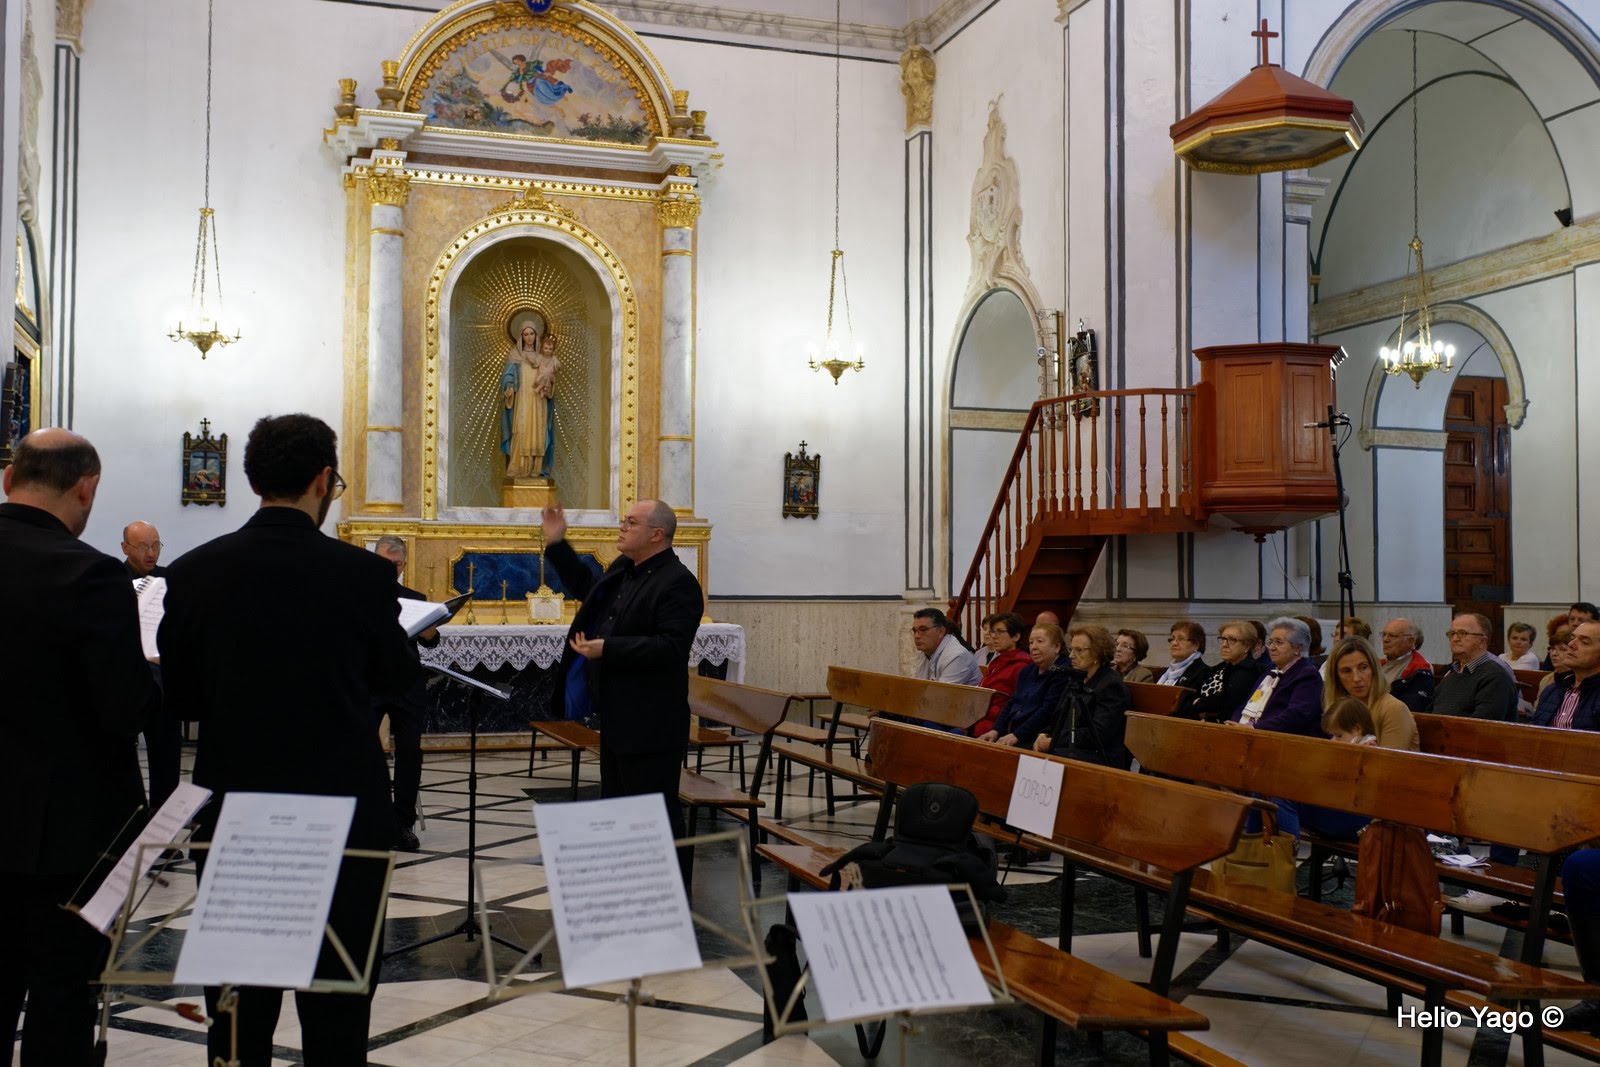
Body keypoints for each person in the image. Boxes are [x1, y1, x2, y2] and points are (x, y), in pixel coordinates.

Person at [159, 414, 420, 1065]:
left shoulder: (195, 571)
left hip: (236, 811)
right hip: (344, 814)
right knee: (337, 1007)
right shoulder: (364, 576)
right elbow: (396, 681)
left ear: (252, 479)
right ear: (323, 480)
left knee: (240, 1010)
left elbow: (182, 698)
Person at [0, 429, 159, 1066]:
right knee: (62, 994)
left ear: (10, 479)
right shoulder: (89, 573)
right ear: (87, 487)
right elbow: (122, 709)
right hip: (63, 836)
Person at [541, 498, 704, 880]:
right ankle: (626, 887)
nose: (622, 527)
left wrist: (608, 648)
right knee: (617, 808)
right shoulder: (625, 568)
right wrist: (557, 543)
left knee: (655, 813)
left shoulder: (678, 583)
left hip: (652, 721)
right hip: (617, 714)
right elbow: (587, 587)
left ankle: (671, 895)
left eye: (631, 522)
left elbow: (671, 647)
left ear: (656, 534)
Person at [372, 535, 439, 852]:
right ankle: (375, 816)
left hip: (407, 687)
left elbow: (431, 641)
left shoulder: (415, 598)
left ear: (404, 565)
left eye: (396, 564)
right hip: (369, 684)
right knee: (364, 750)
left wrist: (431, 630)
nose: (390, 569)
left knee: (410, 751)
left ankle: (403, 823)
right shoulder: (358, 595)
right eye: (384, 563)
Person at [121, 518, 181, 815]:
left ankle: (164, 829)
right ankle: (127, 826)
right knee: (121, 760)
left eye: (156, 545)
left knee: (166, 758)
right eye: (143, 546)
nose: (151, 553)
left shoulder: (170, 580)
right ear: (125, 547)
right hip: (127, 681)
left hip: (163, 682)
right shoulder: (111, 580)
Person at [1036, 623, 1133, 769]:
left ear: (1097, 653)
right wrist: (1044, 733)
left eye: (1079, 650)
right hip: (1070, 748)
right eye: (1071, 649)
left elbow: (1098, 735)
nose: (1071, 655)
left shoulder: (1111, 686)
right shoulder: (1076, 679)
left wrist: (1054, 740)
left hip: (1099, 757)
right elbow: (1058, 718)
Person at [979, 623, 1069, 749]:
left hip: (1036, 737)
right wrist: (996, 730)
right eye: (1031, 642)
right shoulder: (1027, 670)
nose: (1034, 647)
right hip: (1013, 731)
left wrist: (1016, 735)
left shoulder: (1063, 672)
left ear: (1057, 647)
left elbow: (1047, 711)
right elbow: (1012, 702)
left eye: (1040, 641)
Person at [1229, 616, 1323, 737]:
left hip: (1283, 742)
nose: (1272, 648)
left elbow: (1296, 715)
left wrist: (1253, 728)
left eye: (1278, 642)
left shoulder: (1307, 675)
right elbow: (1246, 704)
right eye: (1271, 642)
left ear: (1297, 648)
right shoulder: (1269, 672)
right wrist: (1233, 724)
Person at [1324, 635, 1419, 751]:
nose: (1356, 678)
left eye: (1363, 668)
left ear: (1374, 669)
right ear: (1336, 677)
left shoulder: (1394, 709)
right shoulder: (1340, 708)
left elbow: (1388, 765)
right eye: (1346, 671)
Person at [500, 321, 560, 479]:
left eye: (532, 334)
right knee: (521, 430)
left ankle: (536, 468)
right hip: (522, 401)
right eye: (525, 334)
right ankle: (518, 468)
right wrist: (508, 387)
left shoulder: (543, 357)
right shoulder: (515, 355)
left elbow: (552, 377)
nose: (529, 337)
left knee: (538, 432)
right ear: (521, 336)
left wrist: (550, 383)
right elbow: (508, 376)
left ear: (536, 335)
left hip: (539, 402)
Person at [1430, 612, 1517, 720]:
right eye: (1452, 634)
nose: (1455, 639)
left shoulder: (1496, 677)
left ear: (1482, 641)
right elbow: (1429, 713)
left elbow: (1481, 727)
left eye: (1462, 633)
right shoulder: (1453, 673)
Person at [1187, 619, 1267, 722]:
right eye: (1223, 639)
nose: (1224, 644)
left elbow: (1228, 705)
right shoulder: (1231, 667)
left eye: (1232, 640)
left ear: (1247, 646)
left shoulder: (1248, 671)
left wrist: (1200, 704)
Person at [974, 612, 1031, 737]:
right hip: (978, 719)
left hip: (996, 727)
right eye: (993, 632)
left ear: (1016, 636)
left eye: (1000, 631)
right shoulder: (997, 661)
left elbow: (1015, 704)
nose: (994, 636)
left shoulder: (1022, 666)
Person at [909, 608, 982, 687]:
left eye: (923, 630)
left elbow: (940, 696)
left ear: (941, 631)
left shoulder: (956, 656)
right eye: (914, 631)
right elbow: (918, 687)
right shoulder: (926, 652)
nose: (916, 636)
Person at [1379, 617, 1435, 713]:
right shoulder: (1378, 664)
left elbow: (1412, 708)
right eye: (1384, 634)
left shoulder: (1420, 670)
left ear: (1410, 641)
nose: (1385, 639)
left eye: (1392, 636)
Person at [1155, 620, 1210, 691]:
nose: (1174, 643)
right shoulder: (1162, 673)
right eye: (1172, 638)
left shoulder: (1205, 674)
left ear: (1195, 645)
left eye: (1180, 639)